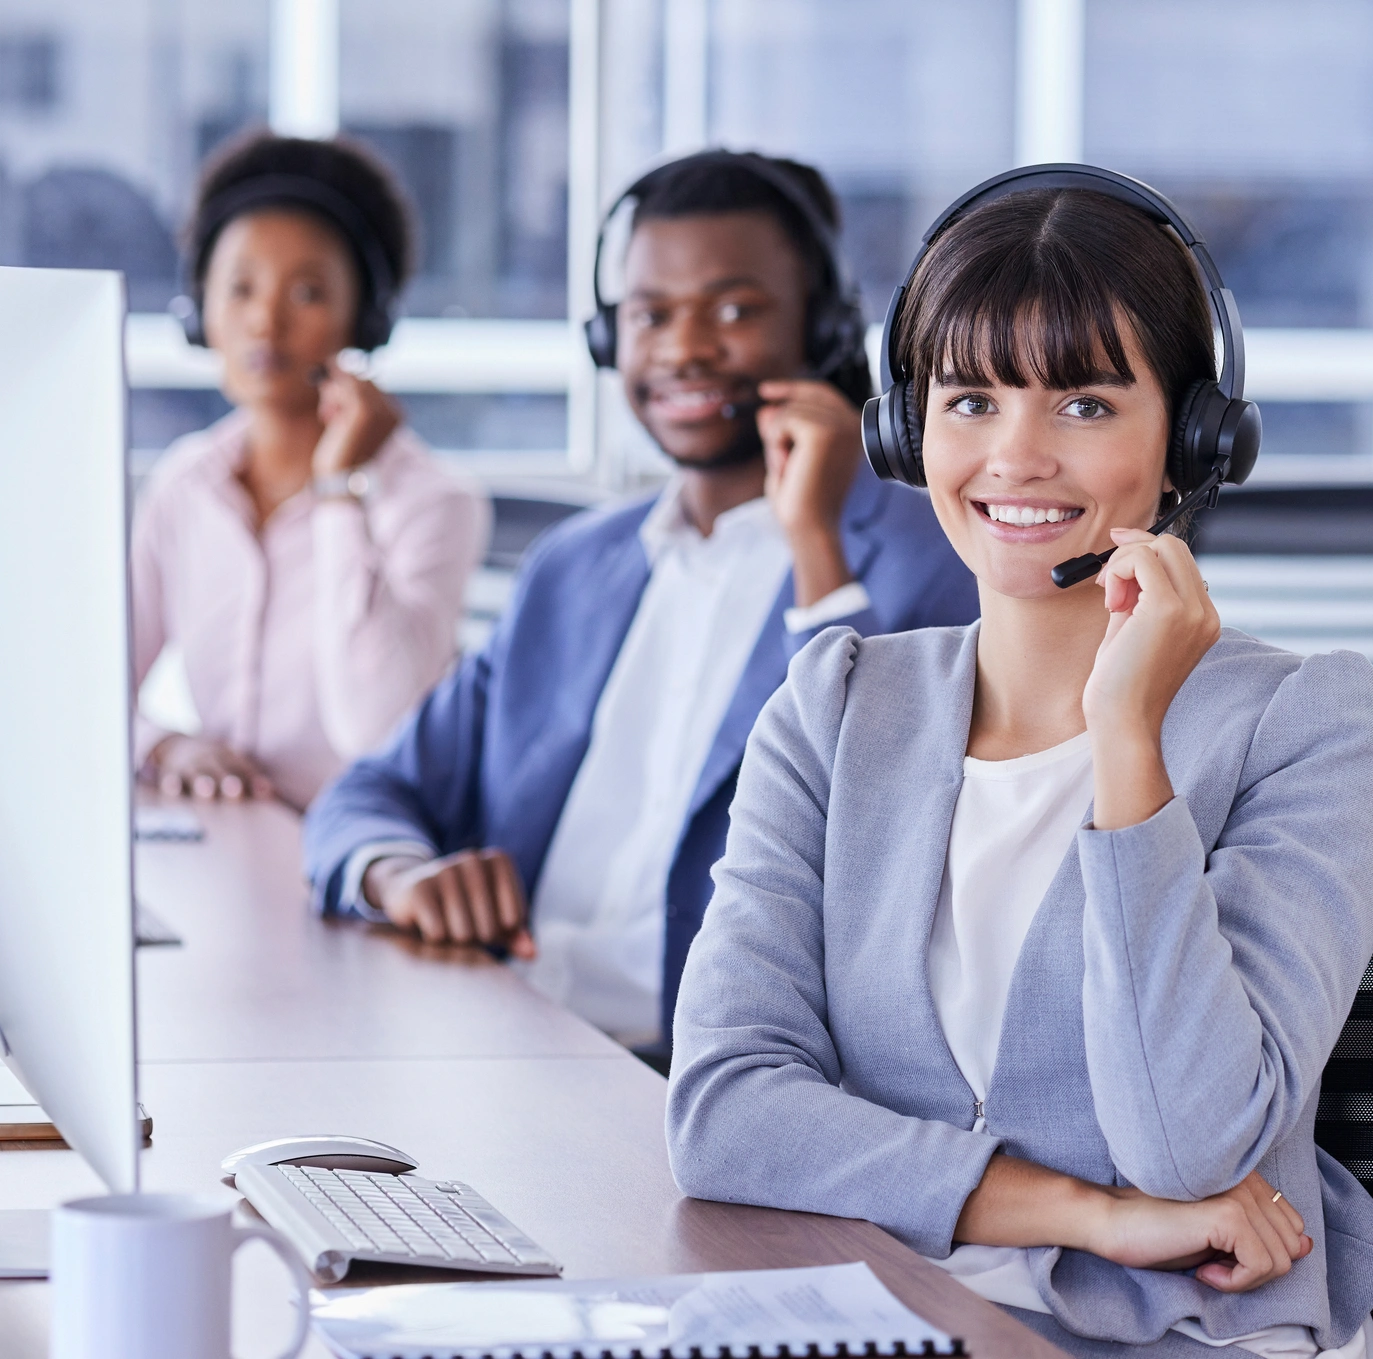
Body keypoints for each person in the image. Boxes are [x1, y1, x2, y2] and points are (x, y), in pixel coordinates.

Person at [665, 177, 1373, 1357]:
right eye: (970, 400)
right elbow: (724, 1113)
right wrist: (1090, 1214)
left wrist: (1128, 743)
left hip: (1184, 1337)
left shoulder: (1313, 722)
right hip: (896, 1310)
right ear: (907, 433)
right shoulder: (838, 705)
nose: (1015, 457)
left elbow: (1191, 1149)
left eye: (1084, 403)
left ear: (1194, 439)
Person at [302, 150, 979, 1058]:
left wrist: (815, 542)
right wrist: (398, 873)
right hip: (497, 1031)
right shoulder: (575, 566)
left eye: (734, 310)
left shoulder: (939, 559)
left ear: (821, 327)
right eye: (650, 314)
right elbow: (372, 790)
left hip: (696, 1078)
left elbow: (877, 850)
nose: (684, 348)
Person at [131, 131, 489, 812]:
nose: (265, 322)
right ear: (200, 310)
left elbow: (378, 730)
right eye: (240, 288)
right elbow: (94, 687)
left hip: (372, 850)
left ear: (365, 318)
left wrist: (338, 493)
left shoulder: (434, 502)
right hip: (228, 833)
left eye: (307, 292)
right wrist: (164, 745)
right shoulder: (184, 487)